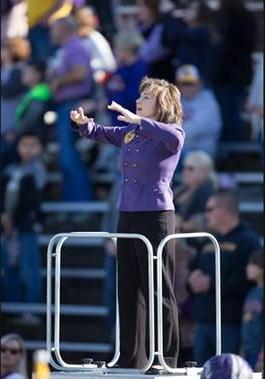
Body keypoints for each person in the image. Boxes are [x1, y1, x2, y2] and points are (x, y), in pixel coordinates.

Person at [70, 76, 185, 372]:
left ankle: (166, 357)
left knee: (158, 288)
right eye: (140, 96)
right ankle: (131, 356)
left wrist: (139, 121)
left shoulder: (169, 133)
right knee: (129, 286)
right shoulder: (133, 132)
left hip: (155, 214)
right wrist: (83, 123)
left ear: (162, 104)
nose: (139, 101)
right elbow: (103, 133)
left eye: (146, 98)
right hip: (128, 212)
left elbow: (173, 138)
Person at [187, 190, 261, 366]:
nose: (206, 214)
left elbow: (250, 281)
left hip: (230, 323)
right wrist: (192, 279)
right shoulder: (208, 240)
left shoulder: (247, 240)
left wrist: (210, 284)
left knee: (229, 372)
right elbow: (194, 269)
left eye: (210, 209)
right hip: (204, 320)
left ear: (225, 210)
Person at [47, 16, 93, 201]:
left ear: (64, 30)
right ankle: (73, 205)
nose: (51, 32)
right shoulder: (66, 49)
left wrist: (58, 80)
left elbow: (81, 73)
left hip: (73, 105)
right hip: (65, 105)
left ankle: (81, 206)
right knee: (65, 158)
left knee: (69, 157)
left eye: (54, 29)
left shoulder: (76, 47)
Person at [1, 133, 47, 313]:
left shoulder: (38, 169)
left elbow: (32, 199)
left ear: (40, 148)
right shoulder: (10, 169)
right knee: (9, 270)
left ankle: (31, 311)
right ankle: (13, 310)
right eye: (24, 144)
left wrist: (13, 219)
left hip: (26, 227)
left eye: (33, 145)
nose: (28, 149)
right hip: (7, 228)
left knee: (29, 270)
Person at [212, 0, 257, 141]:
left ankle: (234, 150)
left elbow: (230, 47)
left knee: (230, 113)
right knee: (228, 113)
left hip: (231, 75)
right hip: (230, 74)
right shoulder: (244, 17)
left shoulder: (233, 18)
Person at [162, 0, 214, 84]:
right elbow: (168, 39)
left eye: (192, 9)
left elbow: (179, 33)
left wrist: (169, 14)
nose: (187, 11)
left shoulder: (204, 31)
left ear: (201, 13)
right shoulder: (185, 28)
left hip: (199, 83)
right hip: (185, 80)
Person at [176, 64, 222, 158]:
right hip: (179, 153)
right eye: (183, 83)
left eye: (190, 83)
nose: (187, 87)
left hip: (202, 154)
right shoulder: (176, 101)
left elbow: (193, 130)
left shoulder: (208, 102)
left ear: (200, 83)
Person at [173, 150, 217, 234]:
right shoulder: (179, 190)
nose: (185, 172)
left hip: (196, 239)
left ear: (204, 171)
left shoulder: (207, 193)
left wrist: (180, 224)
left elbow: (204, 223)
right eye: (184, 168)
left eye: (190, 169)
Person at [74, 6, 116, 84]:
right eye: (79, 18)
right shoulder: (74, 40)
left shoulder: (96, 38)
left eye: (84, 18)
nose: (80, 21)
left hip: (98, 81)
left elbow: (109, 64)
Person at [15, 60, 53, 140]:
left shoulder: (41, 94)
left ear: (37, 75)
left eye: (27, 72)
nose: (23, 75)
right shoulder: (31, 93)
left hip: (35, 139)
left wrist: (16, 133)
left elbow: (30, 121)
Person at [241, 249, 264, 370]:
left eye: (252, 264)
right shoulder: (252, 292)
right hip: (248, 353)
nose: (247, 267)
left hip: (258, 355)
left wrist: (261, 358)